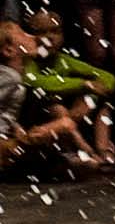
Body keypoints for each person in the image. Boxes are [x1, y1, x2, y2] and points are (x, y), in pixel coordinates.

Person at [0, 22, 103, 172]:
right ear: (8, 50)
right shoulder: (10, 77)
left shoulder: (15, 76)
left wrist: (16, 128)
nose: (33, 37)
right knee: (64, 124)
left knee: (61, 123)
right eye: (23, 35)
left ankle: (60, 160)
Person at [22, 9, 115, 165]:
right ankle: (75, 151)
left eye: (55, 31)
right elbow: (34, 81)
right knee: (55, 105)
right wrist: (83, 85)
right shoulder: (28, 60)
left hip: (68, 118)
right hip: (37, 117)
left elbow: (109, 78)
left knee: (101, 103)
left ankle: (103, 150)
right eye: (41, 32)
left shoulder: (63, 59)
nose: (49, 37)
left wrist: (89, 99)